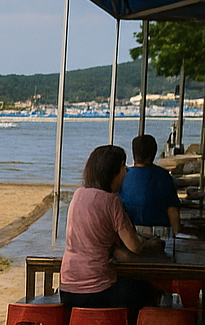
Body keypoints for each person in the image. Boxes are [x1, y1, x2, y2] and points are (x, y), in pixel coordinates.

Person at [59, 144, 155, 314]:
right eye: (123, 168)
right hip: (97, 291)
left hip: (67, 289)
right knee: (147, 291)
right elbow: (135, 246)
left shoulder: (78, 194)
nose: (126, 173)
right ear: (113, 172)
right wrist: (151, 244)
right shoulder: (112, 201)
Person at [120, 134, 181, 240]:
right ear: (153, 154)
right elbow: (173, 210)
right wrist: (177, 234)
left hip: (129, 231)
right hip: (158, 232)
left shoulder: (123, 176)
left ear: (134, 153)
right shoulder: (163, 176)